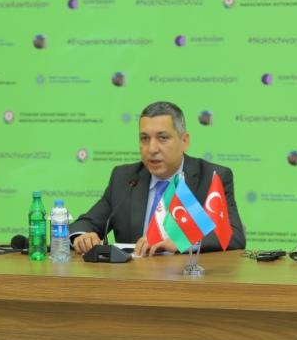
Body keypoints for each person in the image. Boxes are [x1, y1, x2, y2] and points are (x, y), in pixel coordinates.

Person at [70, 101, 246, 256]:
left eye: (162, 138)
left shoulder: (211, 177)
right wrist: (83, 237)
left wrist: (181, 242)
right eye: (144, 139)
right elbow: (85, 224)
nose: (152, 148)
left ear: (184, 141)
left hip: (187, 279)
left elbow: (234, 236)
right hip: (133, 278)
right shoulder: (125, 178)